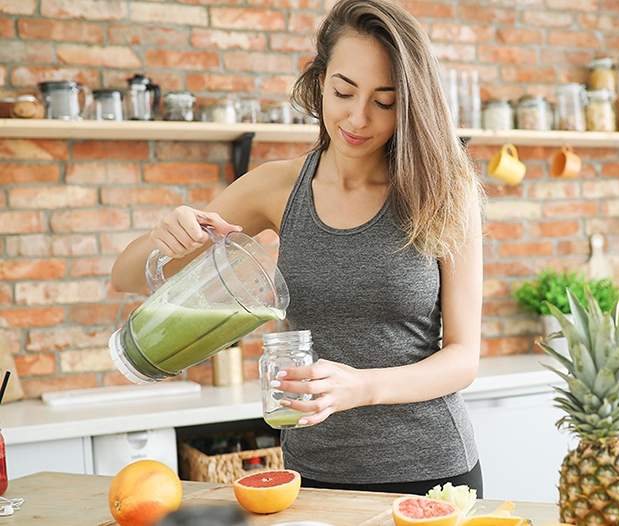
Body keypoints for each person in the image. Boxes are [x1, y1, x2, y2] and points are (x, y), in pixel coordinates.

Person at [111, 0, 484, 496]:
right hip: (312, 474)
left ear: (411, 104)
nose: (358, 117)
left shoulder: (444, 190)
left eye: (385, 101)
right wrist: (166, 238)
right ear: (319, 80)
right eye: (343, 92)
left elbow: (463, 357)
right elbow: (127, 276)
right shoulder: (275, 188)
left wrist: (363, 387)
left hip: (430, 471)